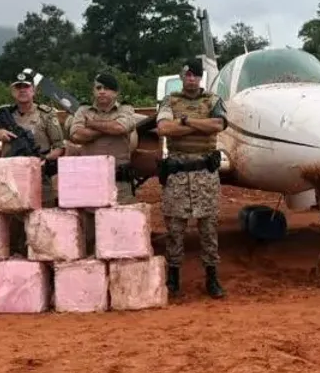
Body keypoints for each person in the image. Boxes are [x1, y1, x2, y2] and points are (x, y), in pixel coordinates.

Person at [155, 58, 227, 299]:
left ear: (201, 78)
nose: (191, 79)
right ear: (181, 76)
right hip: (177, 174)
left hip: (205, 175)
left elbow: (218, 124)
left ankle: (212, 278)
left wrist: (185, 121)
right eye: (187, 75)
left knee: (209, 229)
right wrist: (199, 126)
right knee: (175, 228)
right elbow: (164, 128)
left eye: (195, 75)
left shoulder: (213, 100)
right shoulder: (170, 100)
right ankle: (173, 278)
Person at [0, 70, 67, 255]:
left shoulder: (46, 114)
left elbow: (59, 147)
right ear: (13, 92)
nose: (22, 91)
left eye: (26, 87)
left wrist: (43, 161)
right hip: (8, 183)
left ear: (33, 90)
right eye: (18, 88)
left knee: (42, 229)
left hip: (39, 180)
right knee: (11, 232)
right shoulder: (3, 115)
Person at [66, 73, 138, 205]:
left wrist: (92, 124)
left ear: (116, 92)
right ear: (93, 91)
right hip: (90, 180)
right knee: (90, 221)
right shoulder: (83, 110)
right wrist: (108, 128)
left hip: (119, 182)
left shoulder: (125, 109)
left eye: (107, 88)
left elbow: (120, 128)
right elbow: (76, 135)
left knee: (120, 221)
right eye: (98, 88)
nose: (102, 92)